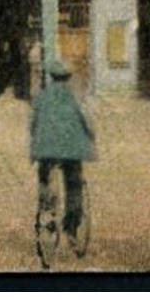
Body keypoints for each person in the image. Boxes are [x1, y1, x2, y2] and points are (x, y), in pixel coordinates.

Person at [29, 58, 95, 238]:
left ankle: (47, 209)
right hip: (70, 148)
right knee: (74, 181)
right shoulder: (75, 96)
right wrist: (91, 136)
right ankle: (72, 222)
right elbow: (87, 120)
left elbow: (33, 123)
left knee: (44, 174)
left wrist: (35, 139)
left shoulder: (42, 96)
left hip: (47, 148)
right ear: (68, 77)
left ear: (51, 76)